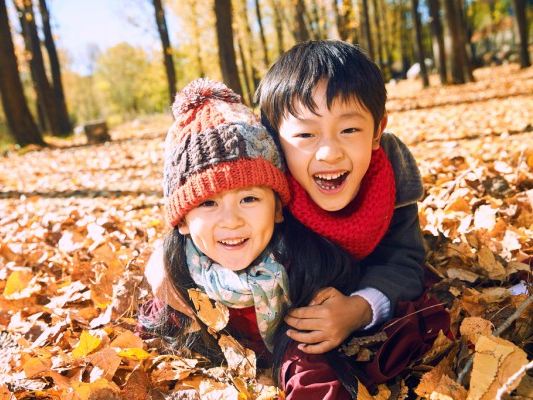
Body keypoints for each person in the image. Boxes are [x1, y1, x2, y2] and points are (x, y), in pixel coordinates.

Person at [139, 78, 360, 399]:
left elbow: (313, 369)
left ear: (278, 209)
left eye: (249, 199)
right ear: (183, 220)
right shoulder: (178, 286)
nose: (231, 221)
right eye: (208, 203)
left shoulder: (303, 273)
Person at [255, 39, 449, 390]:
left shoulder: (388, 175)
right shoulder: (265, 187)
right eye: (305, 134)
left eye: (349, 130)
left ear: (377, 130)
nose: (329, 152)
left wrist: (360, 308)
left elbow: (404, 260)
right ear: (275, 139)